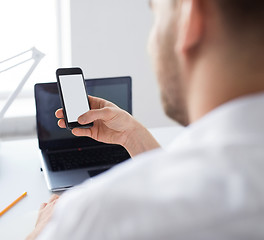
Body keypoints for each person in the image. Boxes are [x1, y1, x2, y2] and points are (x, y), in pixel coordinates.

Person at [27, 0, 264, 239]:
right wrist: (132, 135)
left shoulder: (97, 216)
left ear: (189, 17)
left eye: (155, 14)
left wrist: (41, 233)